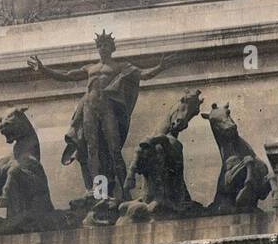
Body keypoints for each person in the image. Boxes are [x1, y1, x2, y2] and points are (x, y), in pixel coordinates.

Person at [28, 31, 171, 209]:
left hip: (108, 110)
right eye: (99, 45)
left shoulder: (120, 67)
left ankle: (125, 192)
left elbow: (143, 74)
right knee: (92, 151)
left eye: (105, 45)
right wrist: (43, 69)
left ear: (112, 48)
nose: (102, 48)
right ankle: (99, 193)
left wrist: (160, 67)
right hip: (89, 109)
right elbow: (66, 75)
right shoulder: (90, 68)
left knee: (114, 149)